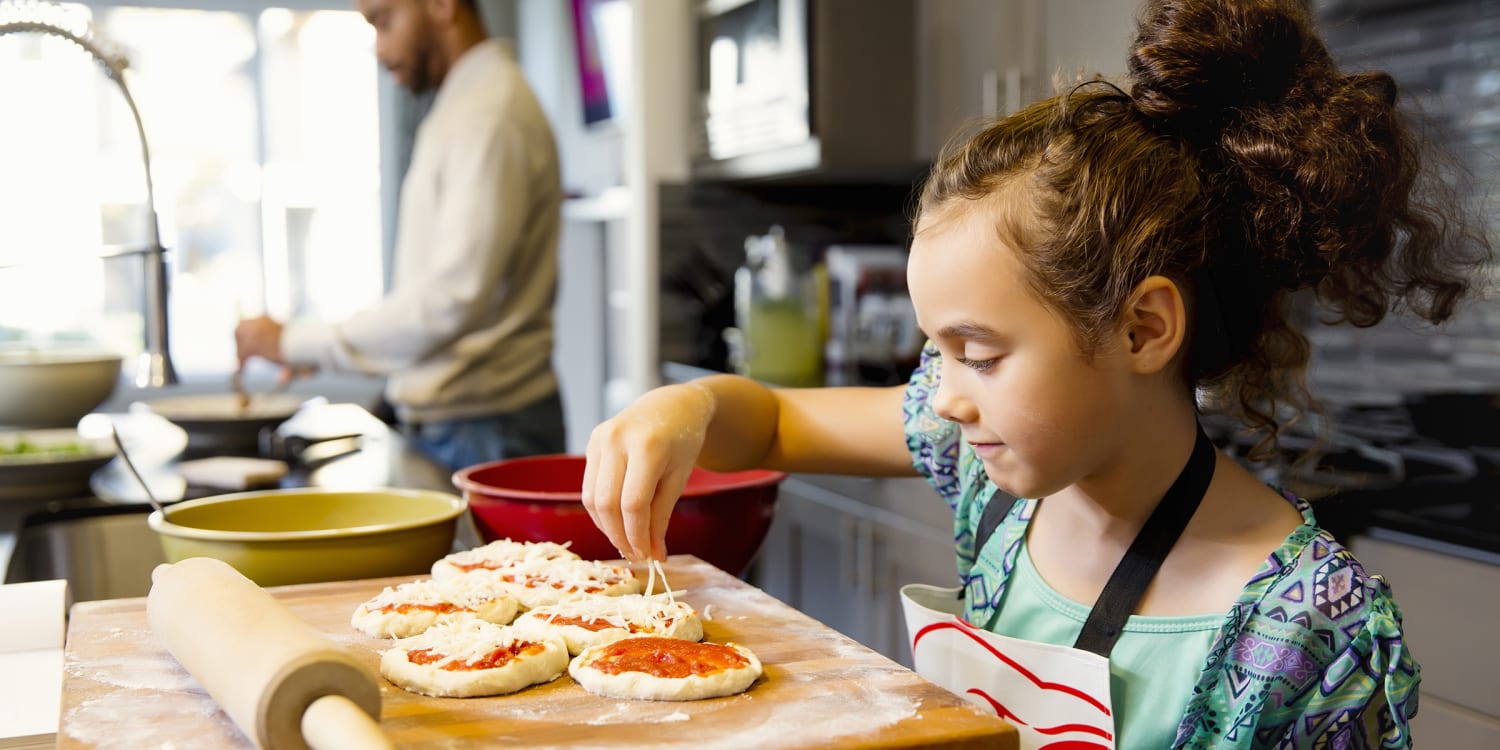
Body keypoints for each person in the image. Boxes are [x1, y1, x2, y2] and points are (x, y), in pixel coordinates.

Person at [578, 0, 1489, 747]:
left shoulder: (1305, 631)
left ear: (1142, 330)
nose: (945, 394)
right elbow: (768, 423)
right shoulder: (989, 471)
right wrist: (684, 406)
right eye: (937, 352)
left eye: (977, 354)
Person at [236, 0, 565, 471]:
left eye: (384, 22)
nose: (380, 49)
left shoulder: (490, 110)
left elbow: (449, 300)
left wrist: (293, 342)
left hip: (486, 432)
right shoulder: (467, 103)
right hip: (470, 426)